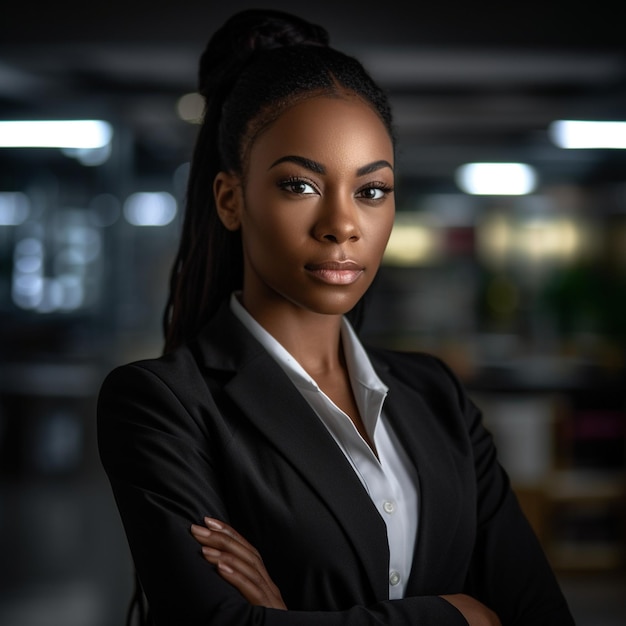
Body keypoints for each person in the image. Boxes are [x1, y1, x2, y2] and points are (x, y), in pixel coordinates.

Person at [97, 8, 575, 626]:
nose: (343, 225)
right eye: (300, 186)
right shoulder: (164, 405)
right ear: (231, 199)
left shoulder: (435, 396)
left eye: (371, 190)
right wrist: (458, 616)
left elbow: (539, 614)